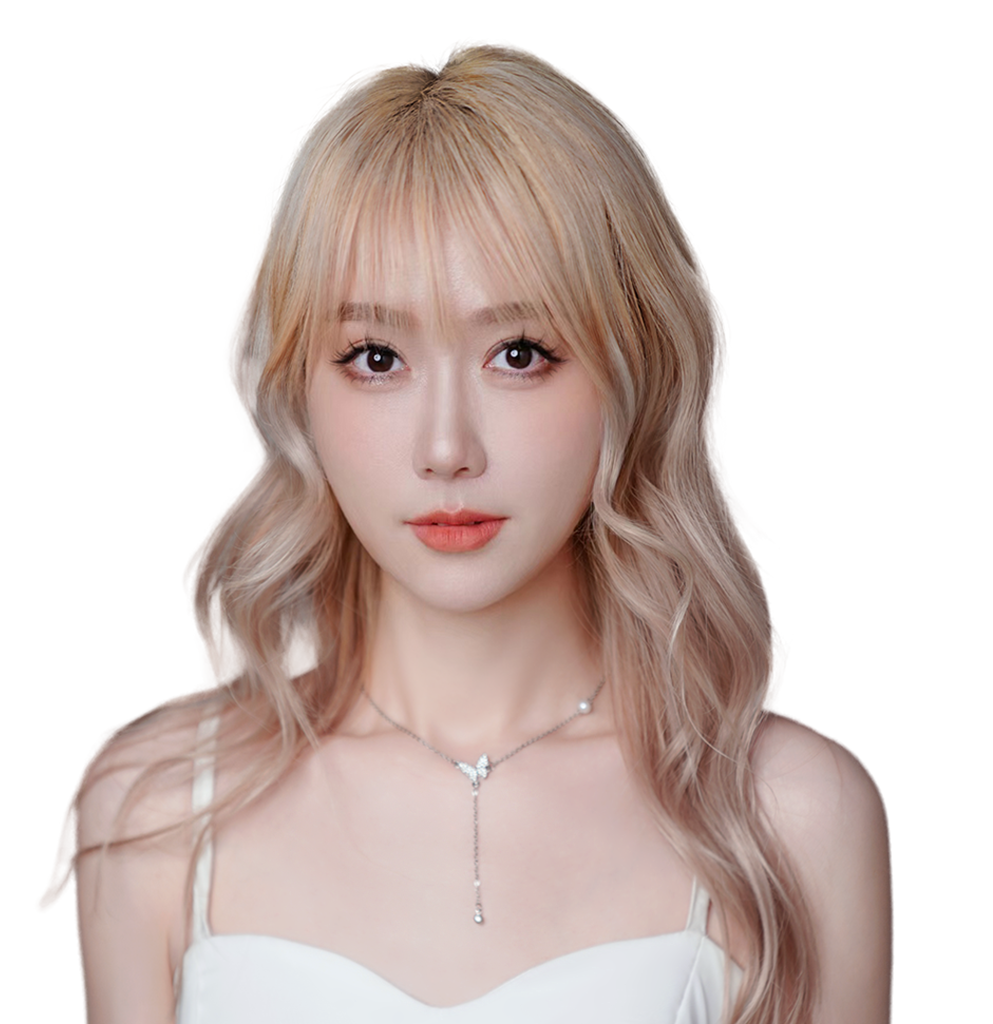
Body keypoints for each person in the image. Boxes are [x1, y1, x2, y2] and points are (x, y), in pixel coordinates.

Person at [74, 47, 891, 1024]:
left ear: (629, 372)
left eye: (520, 352)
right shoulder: (157, 820)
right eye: (376, 357)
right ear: (298, 385)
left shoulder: (786, 821)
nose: (446, 448)